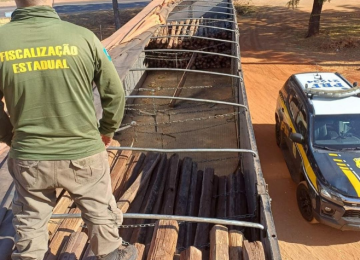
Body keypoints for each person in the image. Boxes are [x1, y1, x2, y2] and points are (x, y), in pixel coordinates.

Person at [0, 0, 137, 259]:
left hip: (29, 156)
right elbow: (115, 93)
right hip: (84, 152)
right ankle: (110, 254)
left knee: (30, 218)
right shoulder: (83, 37)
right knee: (99, 213)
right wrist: (107, 130)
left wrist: (10, 137)